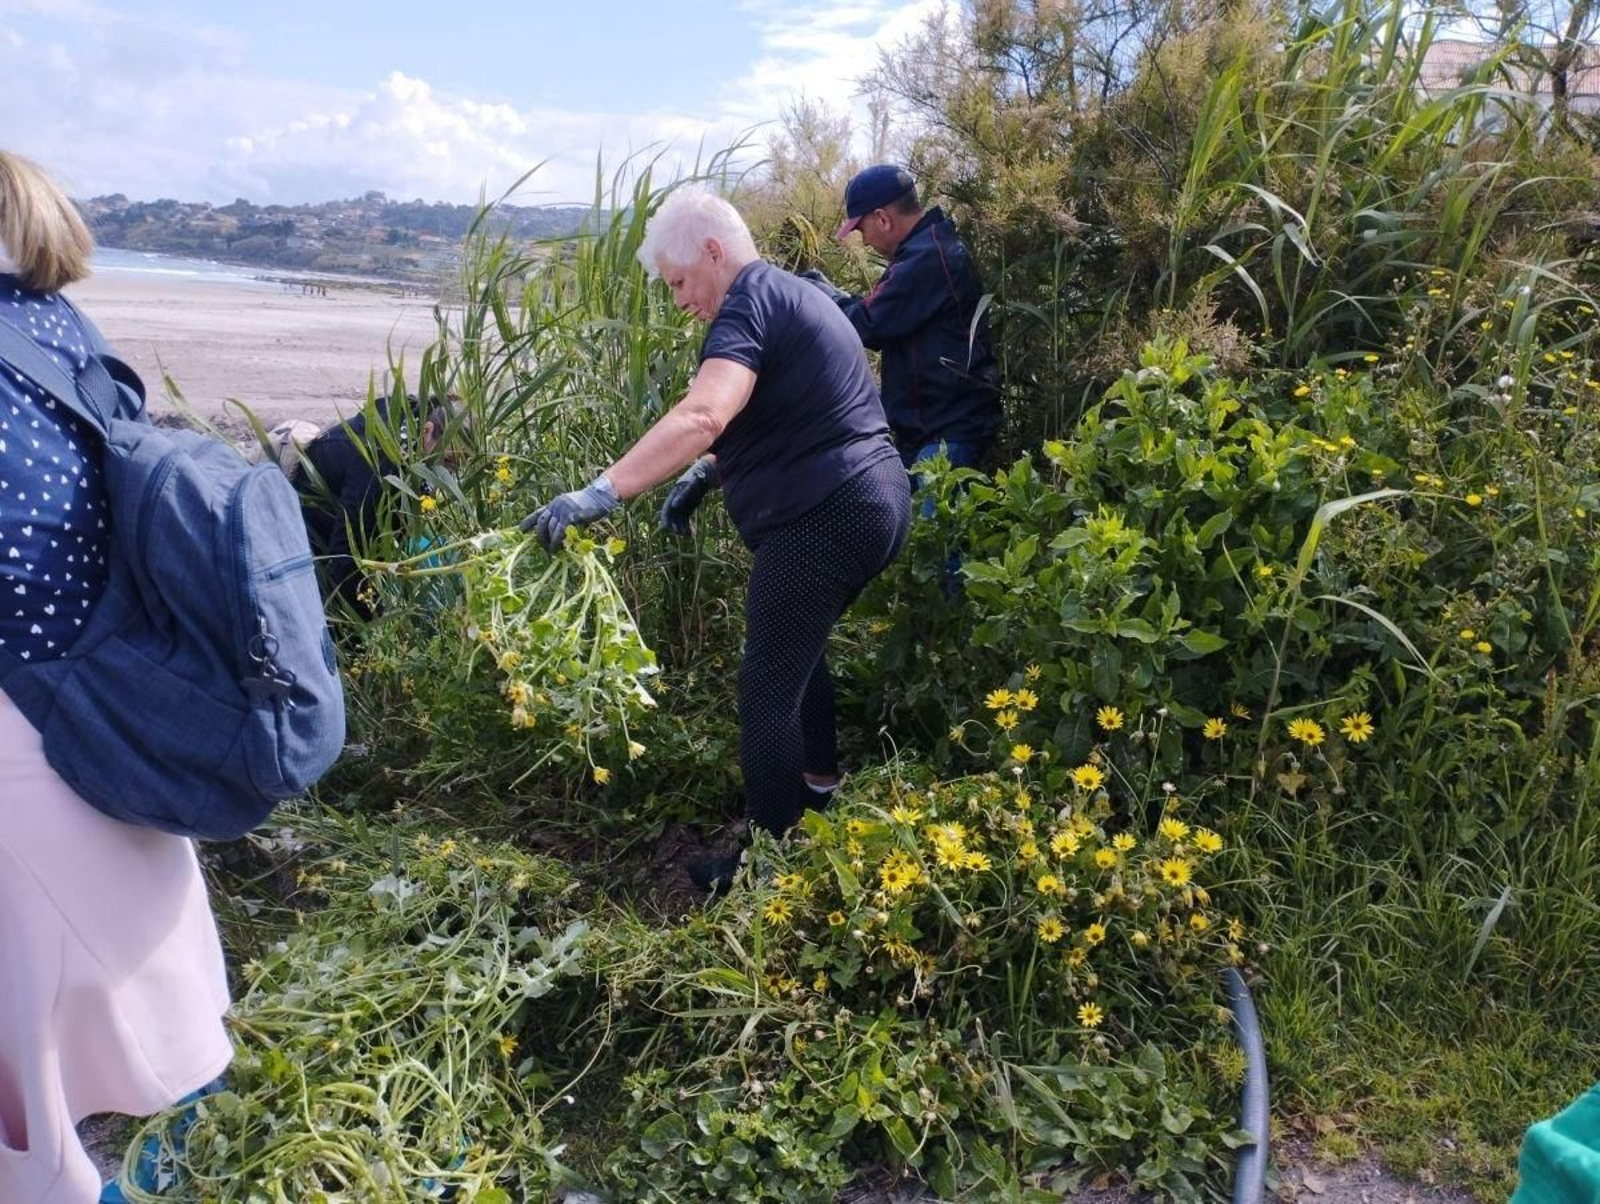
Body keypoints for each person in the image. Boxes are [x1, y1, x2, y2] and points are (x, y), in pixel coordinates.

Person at [522, 188, 911, 889]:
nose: (677, 301)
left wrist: (604, 490)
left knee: (764, 688)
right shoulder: (799, 295)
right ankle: (818, 789)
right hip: (870, 500)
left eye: (677, 282)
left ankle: (768, 867)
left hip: (825, 513)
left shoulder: (748, 300)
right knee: (798, 656)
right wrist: (708, 474)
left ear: (711, 251)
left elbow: (705, 411)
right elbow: (796, 409)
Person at [0, 151, 233, 1203]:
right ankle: (164, 1151)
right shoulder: (64, 336)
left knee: (34, 1030)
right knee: (153, 973)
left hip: (23, 713)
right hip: (117, 694)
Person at [803, 164, 1001, 478]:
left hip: (947, 436)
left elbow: (866, 323)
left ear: (882, 218)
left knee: (928, 527)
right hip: (932, 432)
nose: (864, 241)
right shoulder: (927, 249)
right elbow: (880, 312)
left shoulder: (928, 257)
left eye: (861, 229)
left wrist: (817, 292)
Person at [295, 395, 456, 618]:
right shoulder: (380, 464)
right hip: (310, 525)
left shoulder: (412, 427)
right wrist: (365, 628)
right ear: (426, 430)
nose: (448, 474)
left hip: (351, 525)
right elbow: (346, 556)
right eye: (447, 461)